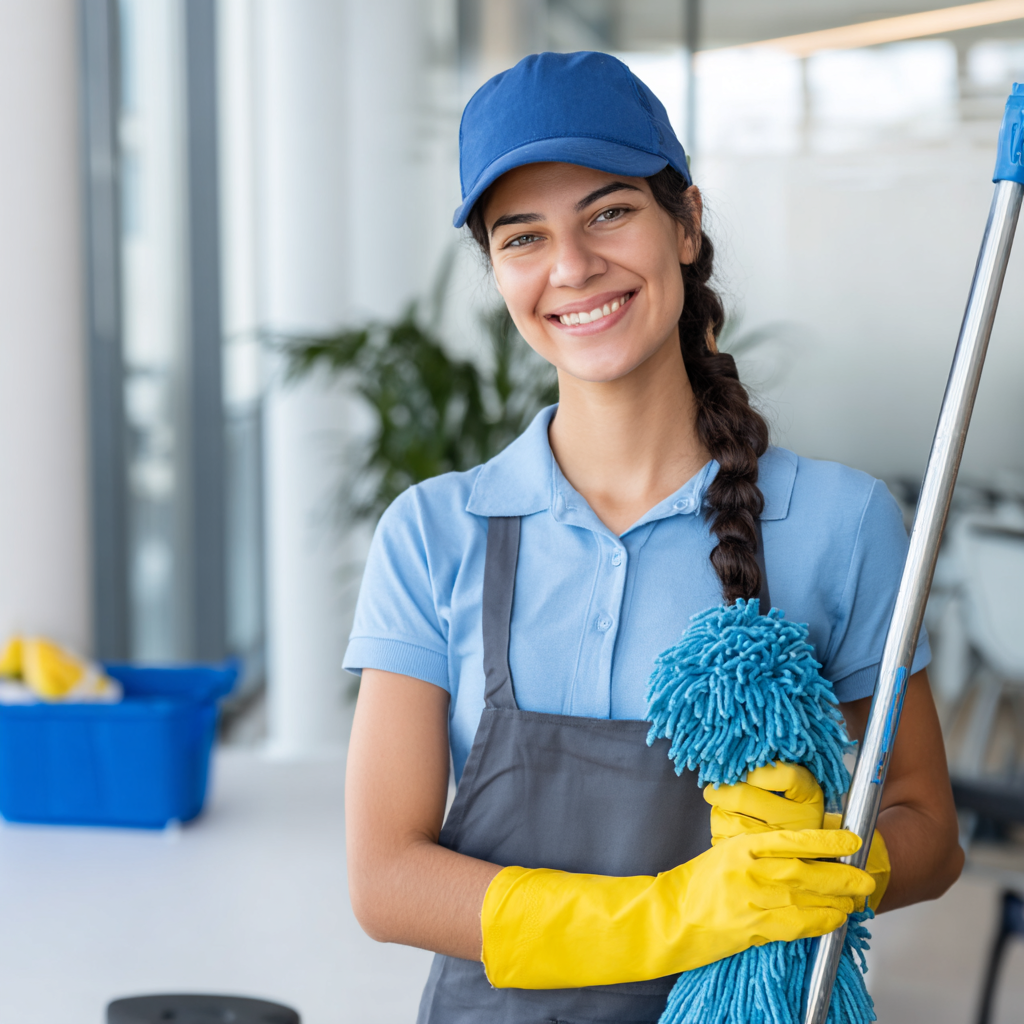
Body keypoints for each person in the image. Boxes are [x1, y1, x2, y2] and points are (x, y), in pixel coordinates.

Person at [343, 51, 963, 1023]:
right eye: (522, 237)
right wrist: (678, 912)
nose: (572, 267)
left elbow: (929, 824)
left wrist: (836, 868)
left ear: (685, 222)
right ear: (496, 270)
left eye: (608, 212)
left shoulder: (839, 524)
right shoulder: (436, 532)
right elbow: (385, 879)